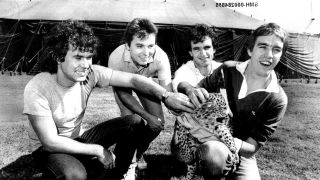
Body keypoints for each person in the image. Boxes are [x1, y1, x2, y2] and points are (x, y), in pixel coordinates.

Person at [23, 20, 194, 180]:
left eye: (89, 57)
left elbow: (133, 80)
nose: (85, 64)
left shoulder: (91, 73)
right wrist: (97, 150)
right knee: (75, 175)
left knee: (134, 122)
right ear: (58, 56)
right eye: (78, 57)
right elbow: (50, 142)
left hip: (79, 139)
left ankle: (118, 173)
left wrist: (166, 95)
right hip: (48, 150)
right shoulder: (38, 86)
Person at [177, 22, 288, 179]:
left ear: (281, 54)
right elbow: (189, 88)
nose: (269, 55)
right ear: (250, 50)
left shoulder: (277, 99)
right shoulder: (228, 69)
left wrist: (226, 140)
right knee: (213, 154)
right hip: (207, 140)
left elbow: (251, 148)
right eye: (263, 46)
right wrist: (190, 89)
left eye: (276, 49)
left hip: (240, 150)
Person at [108, 18, 172, 178]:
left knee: (158, 123)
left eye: (151, 45)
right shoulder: (116, 57)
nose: (146, 52)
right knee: (131, 121)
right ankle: (129, 164)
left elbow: (167, 92)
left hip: (145, 82)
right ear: (127, 46)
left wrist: (179, 104)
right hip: (124, 84)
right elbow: (123, 94)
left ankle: (137, 153)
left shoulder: (161, 57)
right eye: (139, 45)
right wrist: (145, 116)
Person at [172, 23, 222, 93]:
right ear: (190, 52)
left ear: (214, 49)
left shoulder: (221, 68)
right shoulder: (183, 72)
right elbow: (178, 84)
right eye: (197, 49)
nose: (203, 54)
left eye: (207, 47)